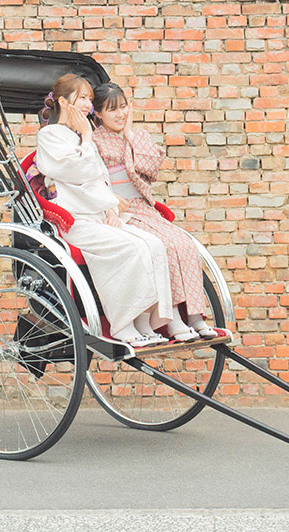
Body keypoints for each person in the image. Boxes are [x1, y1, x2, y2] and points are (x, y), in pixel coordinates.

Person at [34, 73, 172, 347]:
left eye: (88, 98)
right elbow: (79, 172)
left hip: (97, 214)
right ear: (63, 101)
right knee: (128, 249)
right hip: (73, 220)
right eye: (82, 98)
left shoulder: (78, 136)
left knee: (154, 245)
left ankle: (145, 320)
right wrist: (86, 134)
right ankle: (122, 324)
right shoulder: (50, 136)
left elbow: (100, 179)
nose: (87, 104)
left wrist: (109, 206)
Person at [90, 82, 217, 341]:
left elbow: (149, 170)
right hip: (118, 209)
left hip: (143, 207)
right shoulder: (94, 140)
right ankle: (173, 319)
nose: (120, 114)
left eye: (123, 106)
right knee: (163, 247)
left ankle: (194, 315)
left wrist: (129, 136)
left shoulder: (137, 135)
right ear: (98, 114)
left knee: (184, 244)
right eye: (112, 109)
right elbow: (93, 177)